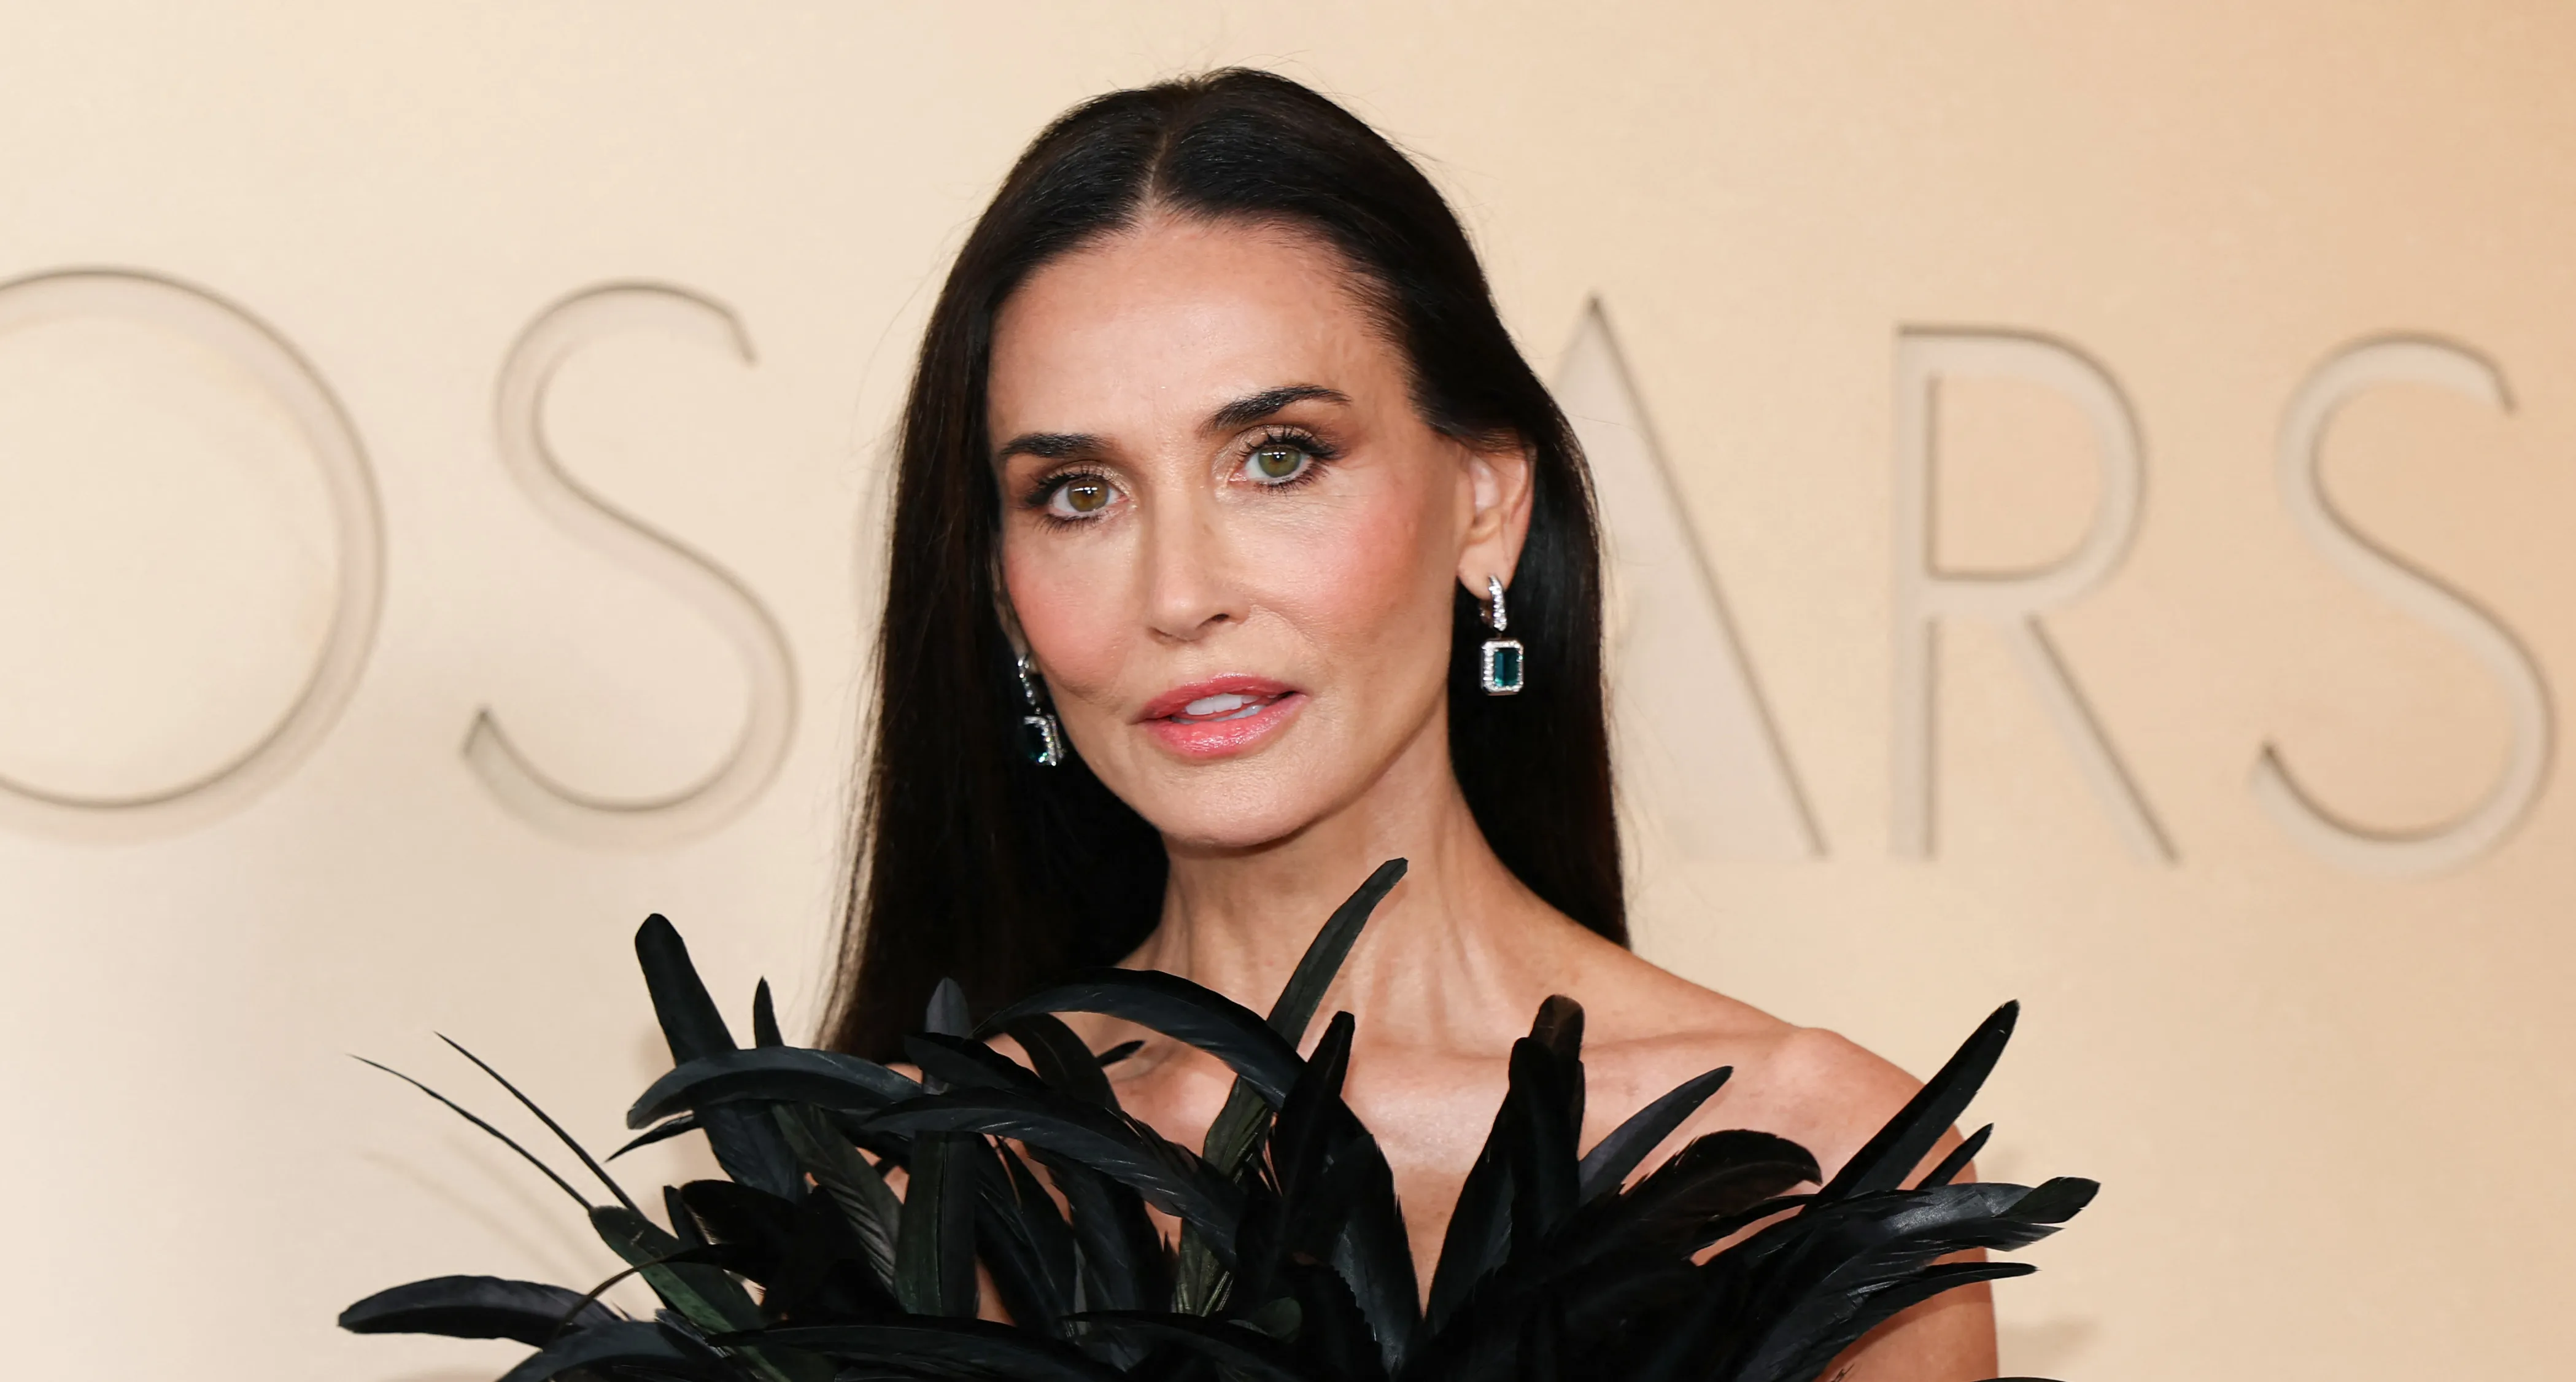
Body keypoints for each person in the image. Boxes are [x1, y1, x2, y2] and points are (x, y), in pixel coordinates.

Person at [824, 69, 1992, 1380]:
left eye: (1277, 458)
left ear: (1486, 501)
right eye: (1080, 493)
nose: (1180, 594)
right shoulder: (917, 1181)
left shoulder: (1818, 1163)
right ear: (1000, 588)